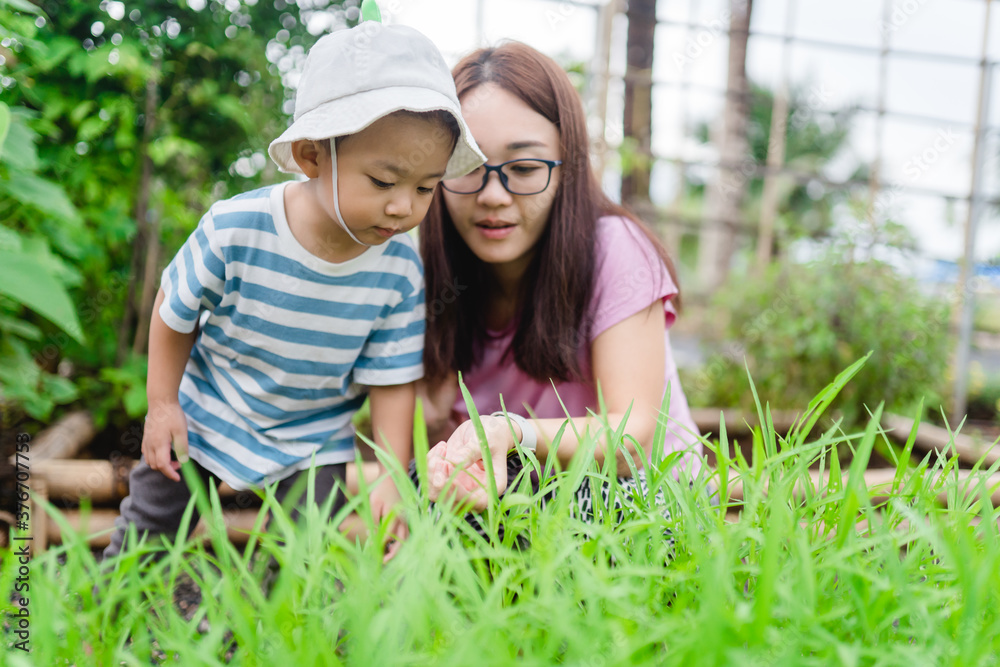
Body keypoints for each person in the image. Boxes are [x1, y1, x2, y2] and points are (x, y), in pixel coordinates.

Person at [103, 19, 485, 560]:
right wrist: (163, 405)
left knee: (303, 556)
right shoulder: (236, 228)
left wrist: (390, 475)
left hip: (314, 439)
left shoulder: (399, 268)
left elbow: (392, 380)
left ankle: (283, 632)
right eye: (382, 182)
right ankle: (110, 625)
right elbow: (174, 309)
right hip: (211, 407)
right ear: (311, 157)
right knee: (150, 526)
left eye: (426, 187)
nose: (405, 207)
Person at [417, 42, 702, 524]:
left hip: (643, 499)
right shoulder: (435, 271)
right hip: (514, 489)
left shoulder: (616, 249)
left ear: (566, 167)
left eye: (524, 169)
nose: (492, 196)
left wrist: (514, 433)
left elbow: (632, 436)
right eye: (466, 168)